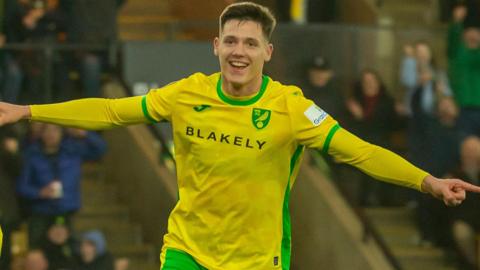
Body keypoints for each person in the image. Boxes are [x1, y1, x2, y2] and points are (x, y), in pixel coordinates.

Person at [0, 2, 479, 269]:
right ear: (216, 46)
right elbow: (110, 109)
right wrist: (26, 110)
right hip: (187, 249)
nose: (239, 51)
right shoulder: (186, 94)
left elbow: (360, 151)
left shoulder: (292, 108)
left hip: (257, 260)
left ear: (268, 52)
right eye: (231, 40)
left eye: (250, 43)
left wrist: (428, 182)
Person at [16, 124, 106, 249]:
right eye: (47, 130)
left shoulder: (72, 151)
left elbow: (100, 149)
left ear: (62, 133)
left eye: (55, 130)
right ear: (41, 134)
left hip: (67, 211)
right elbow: (22, 187)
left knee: (69, 253)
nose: (51, 134)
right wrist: (40, 192)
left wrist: (84, 133)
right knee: (37, 252)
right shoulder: (32, 155)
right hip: (41, 212)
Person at [448, 2, 480, 139]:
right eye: (469, 31)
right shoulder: (457, 52)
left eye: (476, 32)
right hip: (463, 109)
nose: (473, 34)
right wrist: (457, 21)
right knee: (465, 144)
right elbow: (453, 37)